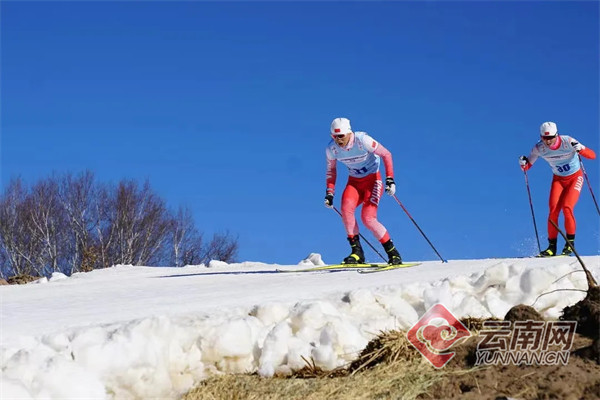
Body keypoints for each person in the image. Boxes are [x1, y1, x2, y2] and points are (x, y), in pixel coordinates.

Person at [324, 117, 402, 265]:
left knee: (368, 218)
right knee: (346, 211)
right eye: (334, 136)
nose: (338, 140)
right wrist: (330, 192)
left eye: (341, 136)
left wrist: (390, 180)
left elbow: (386, 154)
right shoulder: (331, 149)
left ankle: (393, 253)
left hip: (373, 180)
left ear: (349, 133)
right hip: (354, 183)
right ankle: (357, 253)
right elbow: (331, 171)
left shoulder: (362, 140)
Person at [519, 121, 596, 257]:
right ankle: (551, 248)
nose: (548, 141)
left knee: (567, 208)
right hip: (558, 180)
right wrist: (523, 163)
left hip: (575, 178)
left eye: (551, 138)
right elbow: (527, 167)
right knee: (553, 211)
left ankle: (569, 244)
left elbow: (592, 155)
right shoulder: (539, 148)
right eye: (545, 138)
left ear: (556, 135)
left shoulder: (568, 141)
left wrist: (581, 149)